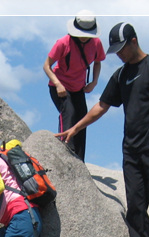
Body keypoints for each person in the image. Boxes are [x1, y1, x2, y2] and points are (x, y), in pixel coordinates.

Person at [57, 23, 149, 237]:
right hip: (131, 149)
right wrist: (76, 128)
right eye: (115, 50)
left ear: (134, 41)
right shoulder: (122, 75)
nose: (119, 54)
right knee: (135, 203)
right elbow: (101, 106)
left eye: (122, 48)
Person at [42, 10, 106, 162]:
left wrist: (94, 82)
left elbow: (98, 62)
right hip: (60, 87)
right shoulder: (63, 43)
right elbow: (47, 66)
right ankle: (65, 158)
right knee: (69, 115)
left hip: (78, 88)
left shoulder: (96, 43)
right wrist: (58, 84)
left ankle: (79, 161)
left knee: (82, 120)